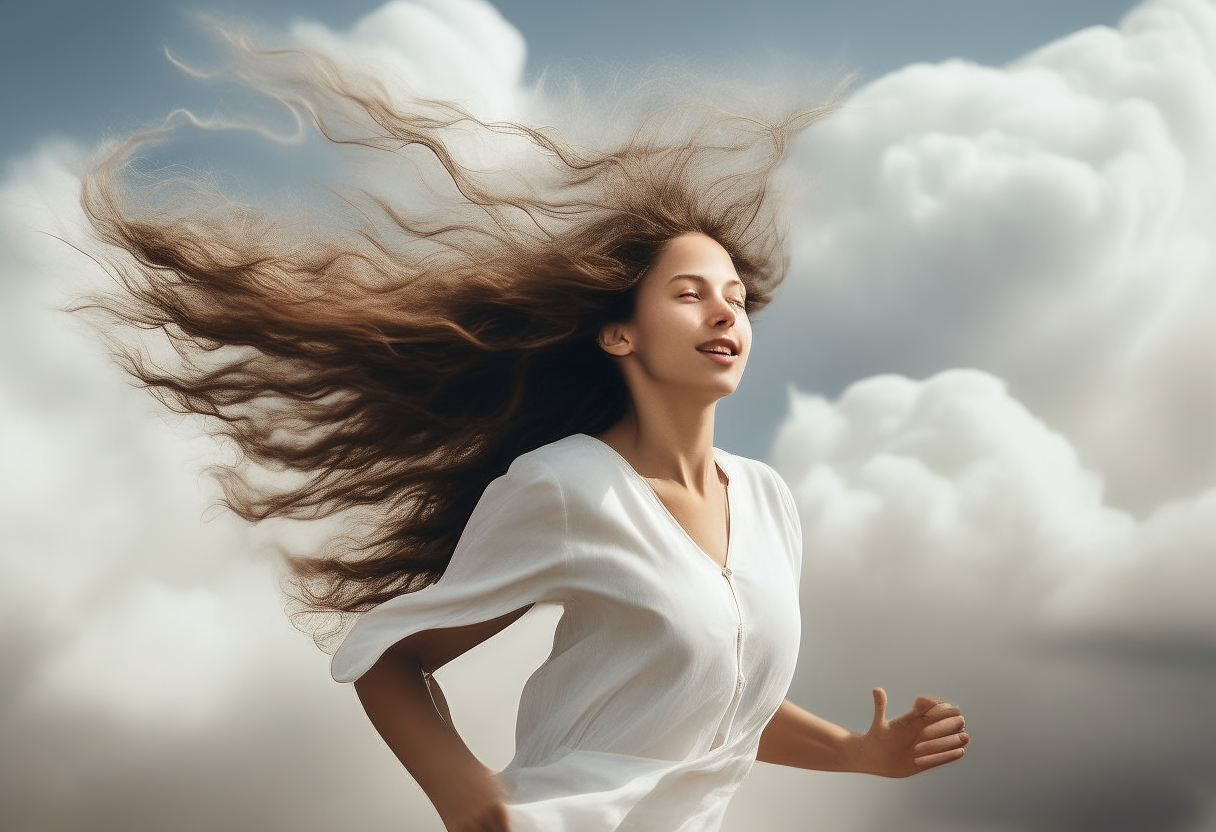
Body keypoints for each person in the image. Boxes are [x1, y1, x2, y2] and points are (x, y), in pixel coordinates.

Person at [79, 28, 968, 832]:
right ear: (619, 333)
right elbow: (394, 660)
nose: (725, 312)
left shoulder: (770, 505)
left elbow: (719, 694)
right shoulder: (568, 485)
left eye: (737, 298)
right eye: (691, 293)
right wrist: (466, 790)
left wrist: (857, 751)